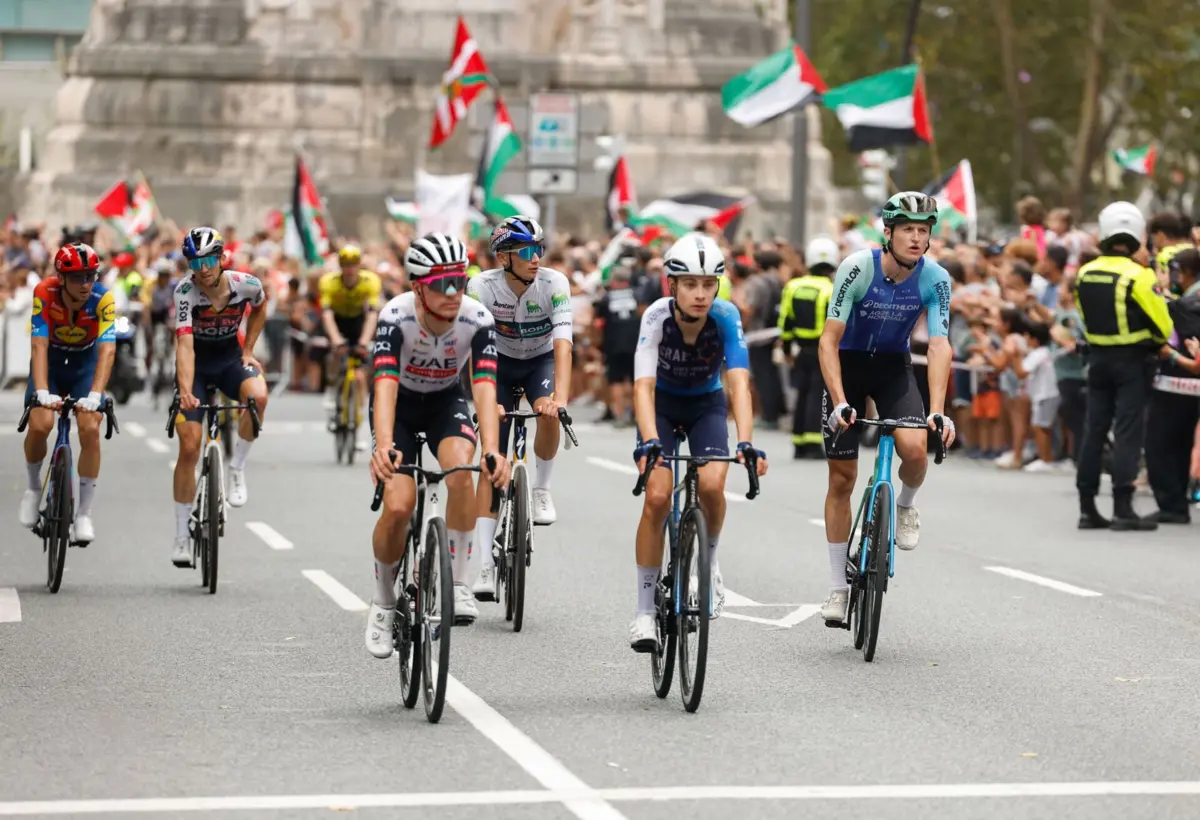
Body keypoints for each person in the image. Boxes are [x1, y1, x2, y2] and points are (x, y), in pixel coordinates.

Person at [365, 232, 510, 655]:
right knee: (398, 505)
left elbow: (484, 387)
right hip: (400, 406)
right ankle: (383, 601)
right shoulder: (395, 317)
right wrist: (384, 446)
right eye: (441, 284)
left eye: (459, 281)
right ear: (418, 288)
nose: (453, 293)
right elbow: (384, 385)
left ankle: (459, 582)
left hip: (445, 401)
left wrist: (492, 449)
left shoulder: (477, 318)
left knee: (463, 472)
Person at [818, 192, 956, 624]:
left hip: (893, 368)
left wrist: (938, 409)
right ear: (889, 232)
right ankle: (838, 589)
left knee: (915, 450)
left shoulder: (936, 278)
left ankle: (905, 504)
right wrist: (840, 401)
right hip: (848, 367)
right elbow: (828, 340)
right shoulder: (858, 268)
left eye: (923, 230)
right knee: (842, 479)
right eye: (908, 229)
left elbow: (939, 345)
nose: (916, 238)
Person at [628, 232, 768, 652]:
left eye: (709, 284)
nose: (701, 294)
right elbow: (642, 386)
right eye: (690, 284)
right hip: (661, 405)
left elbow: (739, 383)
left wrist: (745, 442)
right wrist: (650, 440)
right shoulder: (656, 317)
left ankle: (708, 562)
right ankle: (644, 613)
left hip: (706, 404)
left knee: (711, 485)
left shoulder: (726, 316)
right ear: (672, 285)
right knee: (657, 497)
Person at [466, 216, 572, 600]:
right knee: (491, 457)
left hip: (538, 362)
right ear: (503, 258)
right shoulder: (481, 287)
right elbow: (474, 350)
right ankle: (483, 565)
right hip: (496, 364)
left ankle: (541, 489)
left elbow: (563, 345)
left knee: (548, 412)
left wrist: (560, 400)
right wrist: (486, 403)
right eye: (527, 252)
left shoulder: (554, 284)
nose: (536, 258)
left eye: (539, 249)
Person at [172, 227, 270, 566]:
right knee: (189, 446)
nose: (202, 269)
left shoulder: (246, 284)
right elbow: (185, 345)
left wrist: (249, 350)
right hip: (196, 367)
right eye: (195, 262)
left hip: (230, 360)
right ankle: (181, 535)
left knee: (258, 397)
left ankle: (237, 466)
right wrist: (186, 391)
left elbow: (261, 307)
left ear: (222, 258)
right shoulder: (185, 292)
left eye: (208, 260)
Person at [1073, 202, 1174, 531]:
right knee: (1128, 432)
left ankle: (1087, 507)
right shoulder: (1140, 275)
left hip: (1097, 359)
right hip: (1132, 362)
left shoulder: (1085, 272)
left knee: (1094, 431)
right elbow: (1163, 326)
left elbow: (1083, 316)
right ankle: (1123, 508)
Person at [18, 242, 116, 543]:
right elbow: (39, 344)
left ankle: (84, 513)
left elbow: (107, 350)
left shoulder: (103, 298)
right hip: (50, 364)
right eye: (77, 278)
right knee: (40, 424)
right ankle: (33, 488)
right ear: (61, 278)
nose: (85, 284)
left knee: (90, 428)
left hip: (84, 367)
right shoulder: (44, 292)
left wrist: (96, 395)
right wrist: (42, 391)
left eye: (90, 276)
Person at [778, 236, 838, 458]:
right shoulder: (832, 290)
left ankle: (799, 442)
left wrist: (786, 350)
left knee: (802, 393)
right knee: (818, 395)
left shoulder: (793, 286)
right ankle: (813, 442)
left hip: (801, 350)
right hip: (823, 350)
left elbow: (785, 321)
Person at [318, 244, 382, 433]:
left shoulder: (371, 281)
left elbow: (372, 314)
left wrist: (364, 341)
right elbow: (327, 314)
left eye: (353, 264)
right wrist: (336, 339)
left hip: (357, 322)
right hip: (336, 321)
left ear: (359, 265)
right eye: (345, 265)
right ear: (340, 266)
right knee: (336, 354)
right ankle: (331, 391)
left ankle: (358, 418)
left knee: (360, 375)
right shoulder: (328, 282)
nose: (349, 269)